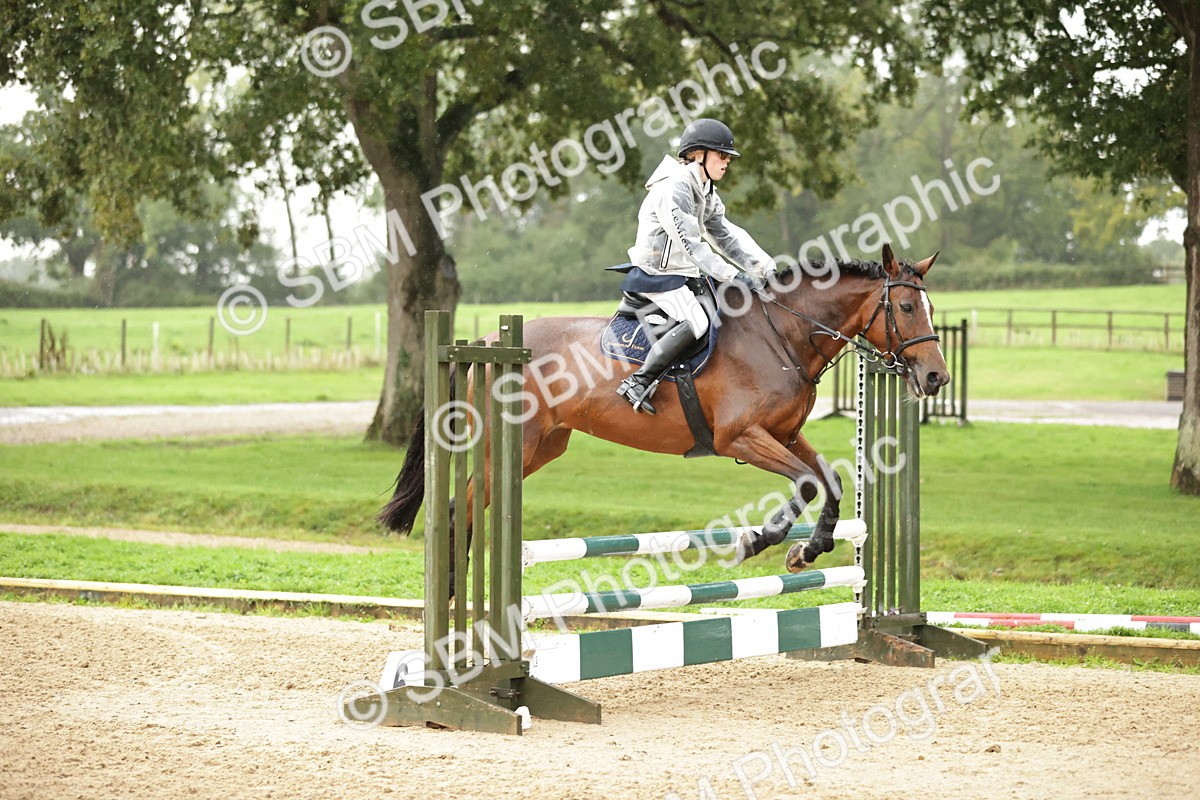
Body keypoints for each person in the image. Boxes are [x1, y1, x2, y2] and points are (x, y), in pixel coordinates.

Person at [616, 118, 777, 414]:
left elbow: (726, 236)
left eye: (728, 157)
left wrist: (765, 268)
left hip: (683, 275)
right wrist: (733, 275)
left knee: (729, 314)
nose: (727, 162)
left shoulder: (705, 190)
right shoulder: (674, 189)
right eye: (722, 155)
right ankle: (638, 382)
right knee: (698, 322)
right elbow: (693, 246)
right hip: (657, 276)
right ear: (698, 154)